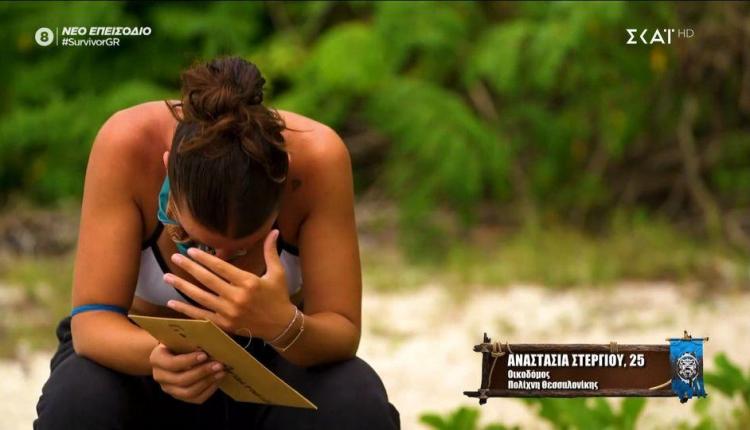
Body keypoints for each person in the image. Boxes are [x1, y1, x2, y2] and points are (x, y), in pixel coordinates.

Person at [34, 56, 400, 429]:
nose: (221, 262)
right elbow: (91, 323)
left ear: (285, 184)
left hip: (276, 363)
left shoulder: (319, 158)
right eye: (196, 240)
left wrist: (283, 324)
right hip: (144, 356)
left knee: (355, 403)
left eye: (243, 248)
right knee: (78, 401)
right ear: (168, 171)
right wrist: (159, 356)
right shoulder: (127, 143)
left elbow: (341, 331)